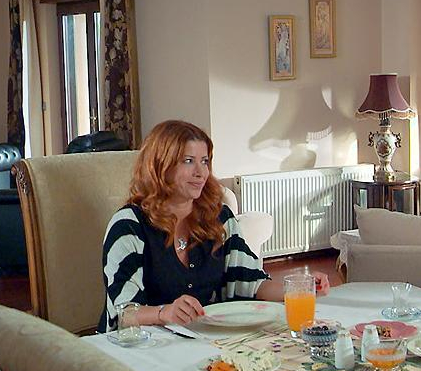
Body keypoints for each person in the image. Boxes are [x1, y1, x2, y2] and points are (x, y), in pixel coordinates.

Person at [98, 120, 331, 332]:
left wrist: (301, 287)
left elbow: (250, 282)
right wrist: (164, 312)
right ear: (160, 166)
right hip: (141, 346)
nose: (201, 173)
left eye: (205, 161)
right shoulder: (128, 226)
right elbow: (123, 313)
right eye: (188, 161)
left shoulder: (220, 218)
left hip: (202, 338)